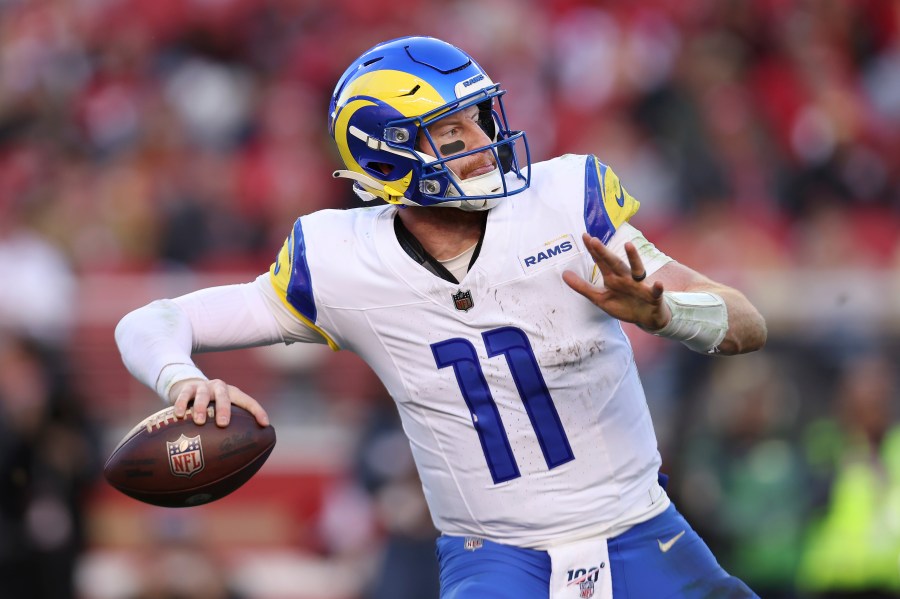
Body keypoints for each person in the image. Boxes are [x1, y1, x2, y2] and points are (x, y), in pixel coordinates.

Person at [115, 36, 767, 598]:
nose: (485, 145)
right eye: (453, 134)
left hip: (642, 530)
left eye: (481, 122)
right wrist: (181, 379)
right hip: (497, 561)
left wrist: (667, 314)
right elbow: (150, 321)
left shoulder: (567, 203)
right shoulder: (340, 260)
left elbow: (746, 322)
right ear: (387, 155)